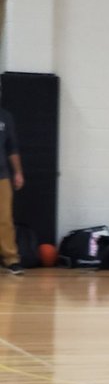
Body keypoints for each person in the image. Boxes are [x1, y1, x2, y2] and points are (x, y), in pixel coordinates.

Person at [0, 100, 25, 275]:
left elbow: (12, 148)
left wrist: (18, 172)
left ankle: (11, 259)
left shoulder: (6, 117)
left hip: (2, 175)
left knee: (5, 219)